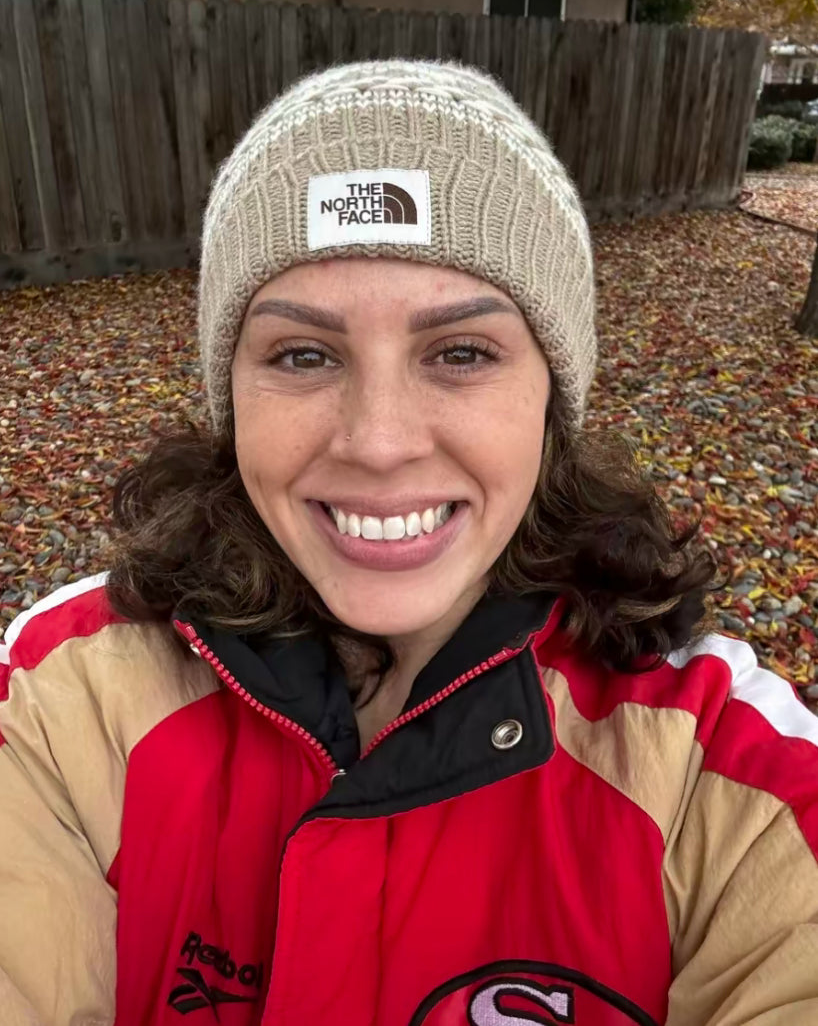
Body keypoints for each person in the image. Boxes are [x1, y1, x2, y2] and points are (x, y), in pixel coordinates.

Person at [1, 59, 817, 1026]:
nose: (378, 442)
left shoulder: (728, 774)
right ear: (231, 395)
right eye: (304, 354)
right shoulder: (63, 699)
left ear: (553, 396)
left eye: (461, 352)